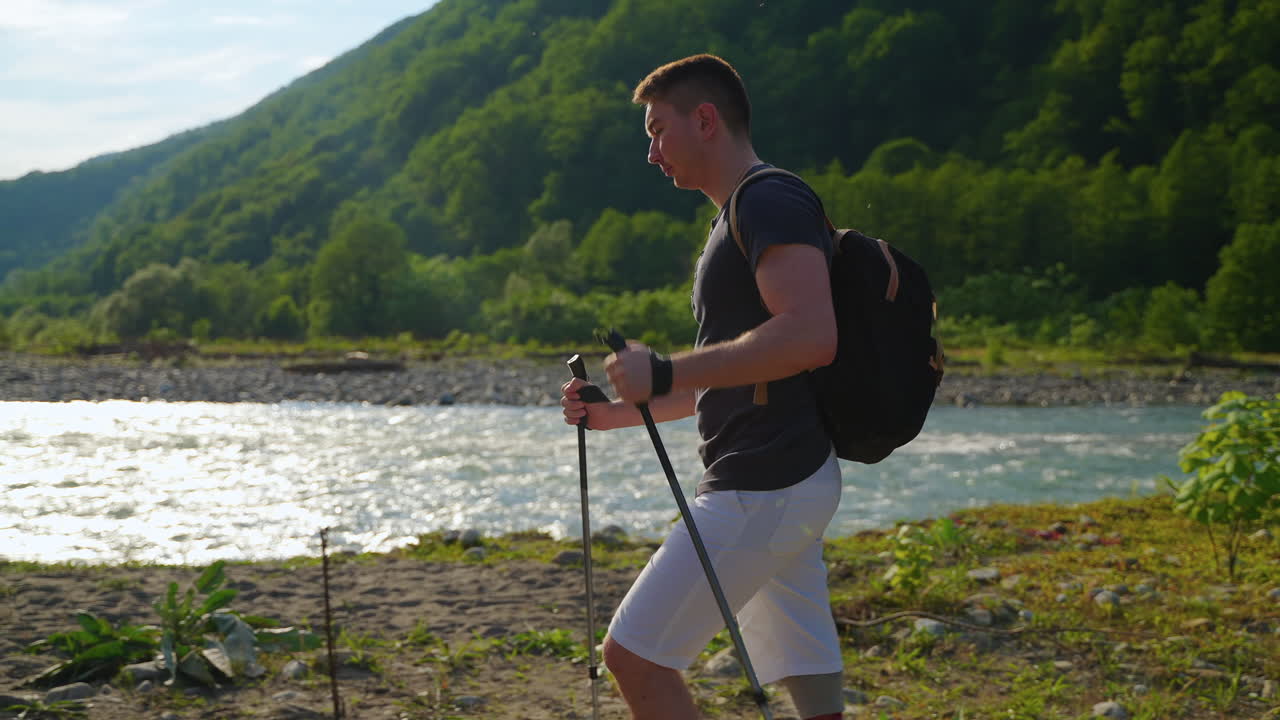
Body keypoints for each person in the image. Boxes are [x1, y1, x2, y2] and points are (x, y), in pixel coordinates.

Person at [560, 54, 845, 720]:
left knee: (634, 656)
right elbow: (723, 380)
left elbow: (811, 336)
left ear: (706, 120)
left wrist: (664, 369)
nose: (653, 152)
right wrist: (613, 414)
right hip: (787, 479)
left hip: (763, 484)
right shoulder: (736, 219)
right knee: (806, 669)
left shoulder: (768, 200)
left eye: (659, 131)